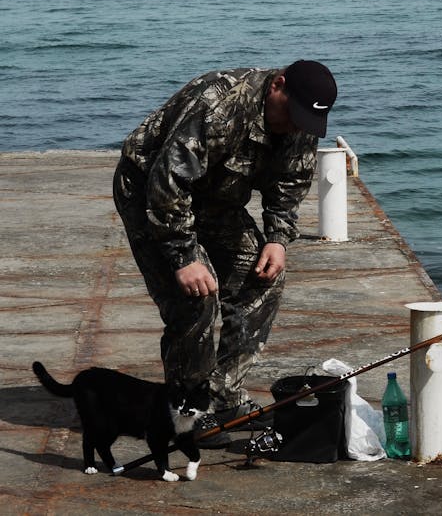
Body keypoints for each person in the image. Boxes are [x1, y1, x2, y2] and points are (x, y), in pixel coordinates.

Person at [113, 60, 337, 445]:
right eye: (291, 114)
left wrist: (277, 239)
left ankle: (222, 397)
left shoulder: (300, 123)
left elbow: (290, 182)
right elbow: (167, 183)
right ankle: (185, 413)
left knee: (264, 279)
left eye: (304, 121)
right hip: (151, 194)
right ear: (277, 85)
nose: (294, 126)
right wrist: (184, 257)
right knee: (194, 299)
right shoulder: (218, 104)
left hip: (216, 202)